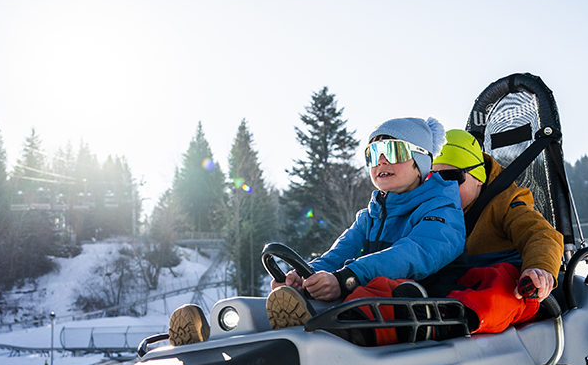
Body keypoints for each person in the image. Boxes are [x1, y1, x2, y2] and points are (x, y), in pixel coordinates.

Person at [166, 117, 465, 346]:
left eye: (392, 150)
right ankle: (215, 338)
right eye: (373, 154)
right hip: (362, 298)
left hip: (414, 308)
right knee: (319, 296)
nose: (381, 161)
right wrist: (309, 276)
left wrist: (347, 279)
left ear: (420, 161)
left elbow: (412, 254)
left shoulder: (441, 210)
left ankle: (308, 328)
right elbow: (340, 253)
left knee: (374, 291)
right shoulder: (372, 215)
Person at [345, 128, 564, 340]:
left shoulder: (506, 203)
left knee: (502, 286)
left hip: (508, 285)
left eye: (451, 176)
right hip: (451, 282)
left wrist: (539, 268)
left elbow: (541, 235)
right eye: (432, 178)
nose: (441, 184)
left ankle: (447, 319)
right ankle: (364, 315)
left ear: (478, 177)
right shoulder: (431, 209)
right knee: (404, 280)